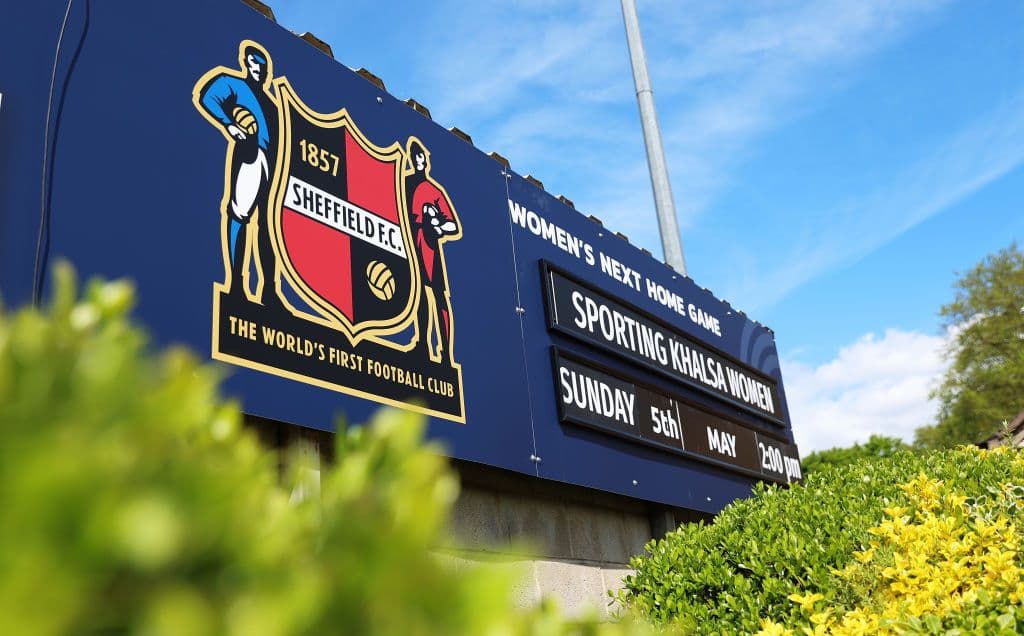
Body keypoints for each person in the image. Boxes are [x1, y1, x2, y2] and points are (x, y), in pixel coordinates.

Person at [197, 43, 281, 309]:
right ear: (246, 63)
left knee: (268, 227)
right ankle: (236, 283)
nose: (259, 70)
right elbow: (208, 97)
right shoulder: (233, 84)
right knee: (240, 216)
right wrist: (230, 124)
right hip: (250, 154)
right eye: (255, 64)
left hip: (272, 162)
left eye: (263, 66)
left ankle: (269, 290)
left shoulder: (271, 103)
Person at [404, 139, 461, 365]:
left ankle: (445, 352)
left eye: (423, 158)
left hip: (430, 245)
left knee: (438, 296)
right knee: (418, 295)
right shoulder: (404, 182)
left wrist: (437, 222)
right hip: (409, 241)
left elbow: (453, 225)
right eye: (417, 157)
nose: (420, 161)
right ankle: (422, 346)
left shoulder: (434, 190)